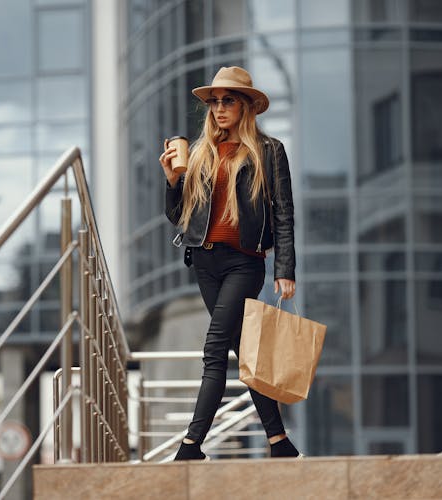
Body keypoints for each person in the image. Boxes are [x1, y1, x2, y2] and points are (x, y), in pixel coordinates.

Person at [159, 66, 300, 460]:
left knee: (215, 349)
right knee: (244, 352)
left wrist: (285, 268)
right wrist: (172, 181)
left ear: (246, 107)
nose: (219, 109)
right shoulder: (202, 152)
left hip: (244, 264)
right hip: (205, 263)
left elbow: (284, 213)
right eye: (215, 102)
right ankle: (279, 441)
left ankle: (191, 444)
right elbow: (179, 216)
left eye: (229, 101)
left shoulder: (269, 152)